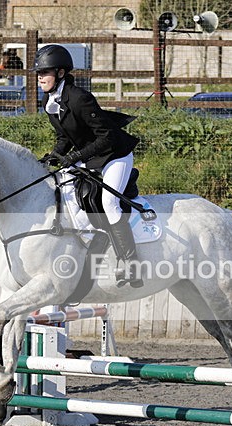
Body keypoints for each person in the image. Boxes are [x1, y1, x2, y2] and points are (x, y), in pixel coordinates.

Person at [34, 44, 143, 288]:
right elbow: (65, 137)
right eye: (38, 73)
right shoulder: (49, 100)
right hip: (90, 155)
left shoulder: (79, 98)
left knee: (108, 202)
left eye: (45, 72)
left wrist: (74, 157)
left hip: (115, 154)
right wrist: (55, 155)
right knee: (63, 190)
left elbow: (107, 137)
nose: (40, 77)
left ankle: (131, 264)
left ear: (61, 73)